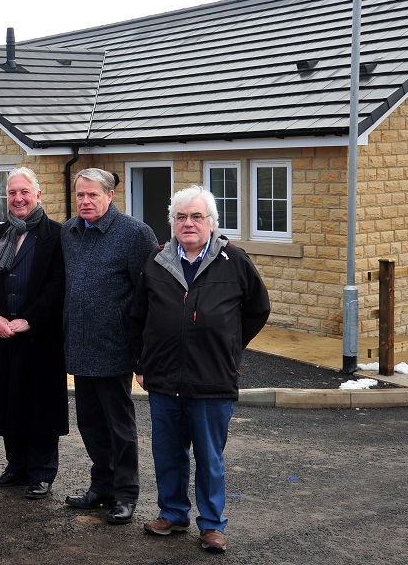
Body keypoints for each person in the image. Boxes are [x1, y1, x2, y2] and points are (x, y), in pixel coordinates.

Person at [130, 185, 270, 553]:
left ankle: (211, 525)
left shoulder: (234, 260)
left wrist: (229, 346)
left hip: (212, 379)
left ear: (211, 223)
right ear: (172, 223)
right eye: (180, 217)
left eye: (196, 217)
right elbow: (139, 316)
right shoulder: (157, 260)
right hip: (163, 378)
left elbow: (258, 309)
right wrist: (141, 363)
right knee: (168, 452)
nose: (188, 223)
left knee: (210, 457)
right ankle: (173, 514)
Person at [62, 167, 158, 524]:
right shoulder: (69, 233)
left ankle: (126, 494)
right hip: (81, 346)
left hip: (116, 348)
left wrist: (143, 355)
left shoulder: (135, 234)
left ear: (110, 195)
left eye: (93, 195)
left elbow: (149, 295)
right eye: (80, 196)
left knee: (119, 426)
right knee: (89, 423)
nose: (85, 202)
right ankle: (101, 487)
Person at [0, 167, 67, 500]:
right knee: (10, 400)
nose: (18, 198)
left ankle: (41, 472)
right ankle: (17, 466)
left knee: (39, 403)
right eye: (12, 193)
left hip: (40, 336)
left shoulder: (56, 236)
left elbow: (58, 287)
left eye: (24, 192)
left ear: (38, 195)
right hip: (2, 334)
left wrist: (29, 320)